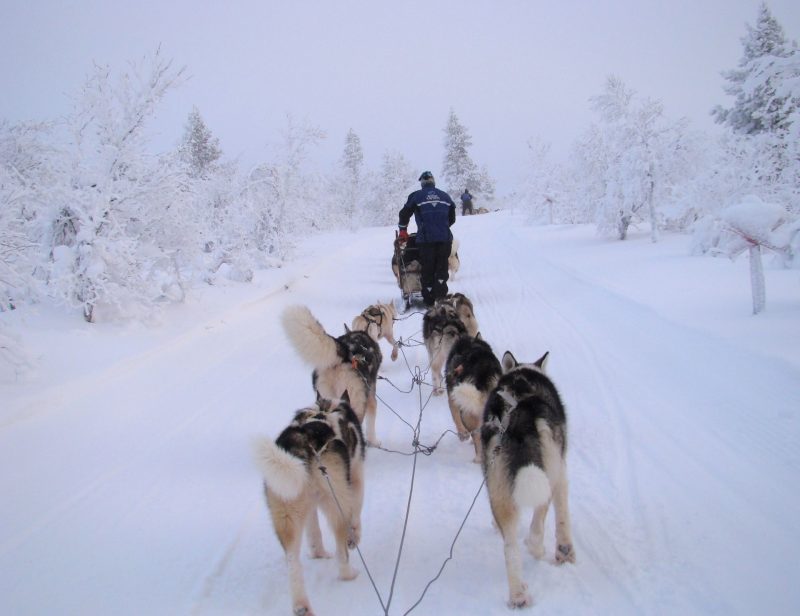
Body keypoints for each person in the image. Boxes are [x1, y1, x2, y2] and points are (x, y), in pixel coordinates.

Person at [398, 171, 456, 306]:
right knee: (441, 269)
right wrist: (441, 226)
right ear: (433, 182)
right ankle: (441, 299)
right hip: (445, 239)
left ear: (422, 183)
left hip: (426, 240)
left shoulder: (416, 196)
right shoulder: (445, 196)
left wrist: (403, 230)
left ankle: (429, 301)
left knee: (428, 270)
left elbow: (404, 213)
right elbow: (452, 218)